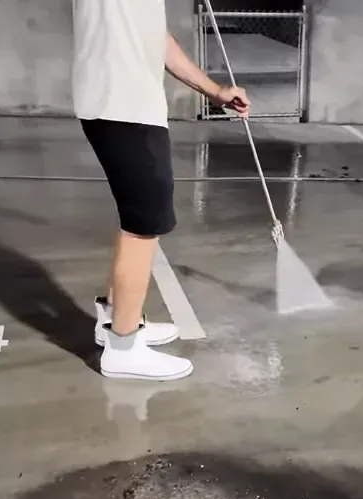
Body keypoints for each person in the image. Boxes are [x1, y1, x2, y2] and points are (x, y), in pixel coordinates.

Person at [74, 0, 250, 381]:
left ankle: (118, 317)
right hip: (123, 106)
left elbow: (158, 38)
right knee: (144, 223)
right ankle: (123, 348)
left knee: (136, 219)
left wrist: (214, 91)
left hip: (125, 105)